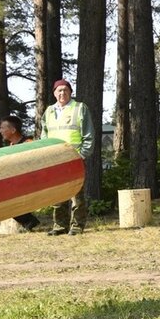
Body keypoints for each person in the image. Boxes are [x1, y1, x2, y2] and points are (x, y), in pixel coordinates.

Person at [41, 79, 95, 235]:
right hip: (56, 160)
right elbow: (44, 135)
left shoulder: (80, 108)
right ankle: (59, 226)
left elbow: (89, 134)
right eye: (59, 90)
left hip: (74, 159)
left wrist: (82, 154)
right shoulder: (49, 111)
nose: (62, 93)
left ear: (71, 92)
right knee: (57, 194)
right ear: (54, 93)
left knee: (77, 195)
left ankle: (77, 226)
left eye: (65, 90)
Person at [0, 115, 41, 231]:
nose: (0, 131)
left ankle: (28, 220)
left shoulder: (28, 143)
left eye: (2, 128)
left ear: (13, 130)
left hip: (31, 183)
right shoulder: (12, 145)